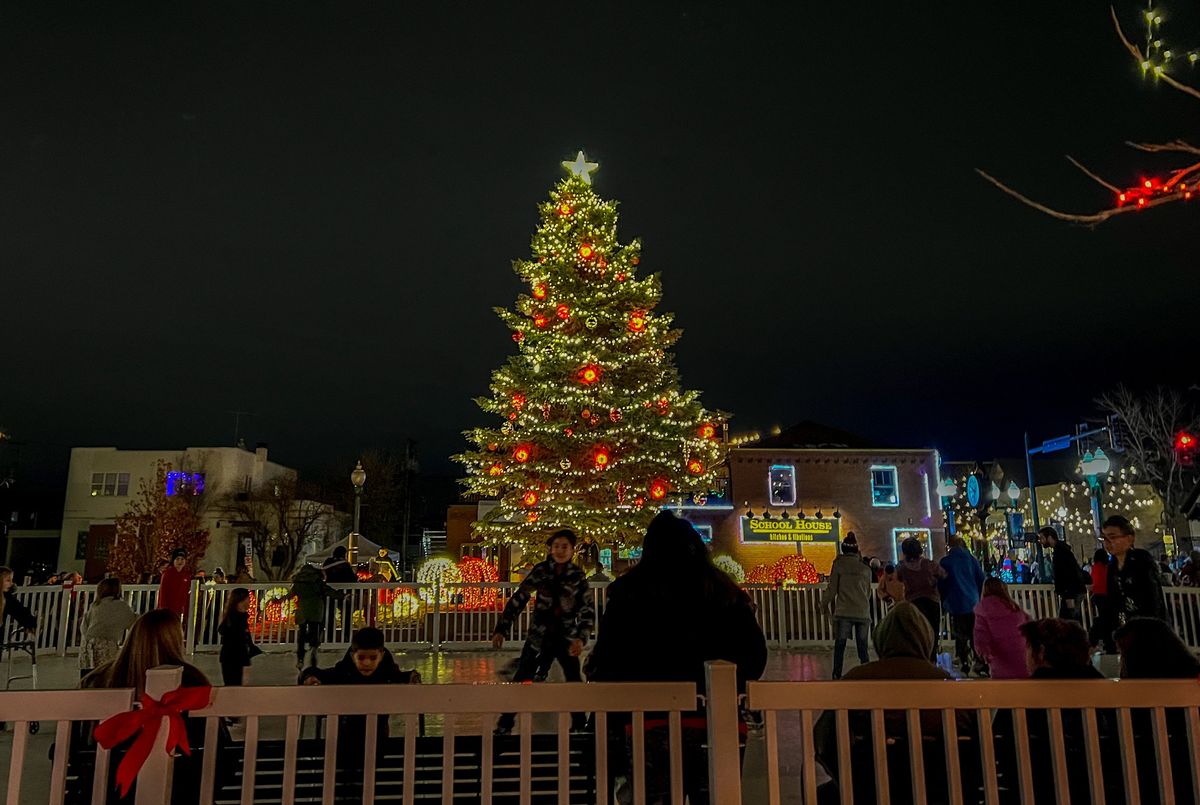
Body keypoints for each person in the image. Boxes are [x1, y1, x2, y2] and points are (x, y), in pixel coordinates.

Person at [585, 510, 767, 805]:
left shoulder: (629, 593)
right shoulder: (725, 593)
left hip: (648, 720)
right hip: (717, 720)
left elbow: (609, 657)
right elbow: (755, 656)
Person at [491, 529, 594, 735]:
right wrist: (502, 628)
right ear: (550, 549)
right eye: (556, 546)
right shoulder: (542, 571)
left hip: (566, 636)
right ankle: (505, 722)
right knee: (521, 677)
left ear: (572, 550)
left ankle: (579, 723)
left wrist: (581, 638)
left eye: (564, 547)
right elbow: (520, 597)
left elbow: (586, 608)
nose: (560, 550)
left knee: (573, 679)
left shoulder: (576, 576)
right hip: (540, 636)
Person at [1097, 515, 1166, 630]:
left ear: (1129, 538)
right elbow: (1110, 603)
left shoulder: (1142, 562)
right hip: (1123, 630)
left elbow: (1151, 602)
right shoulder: (1112, 567)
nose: (1107, 543)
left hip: (1147, 629)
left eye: (1112, 537)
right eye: (1104, 538)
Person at [822, 533, 873, 679]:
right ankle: (866, 673)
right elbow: (868, 592)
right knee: (862, 647)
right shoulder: (865, 569)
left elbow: (832, 589)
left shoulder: (839, 565)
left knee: (840, 645)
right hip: (862, 612)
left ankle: (837, 673)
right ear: (857, 550)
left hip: (844, 611)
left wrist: (823, 604)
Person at [938, 536, 985, 674]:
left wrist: (943, 597)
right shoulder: (971, 560)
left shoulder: (946, 562)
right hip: (972, 600)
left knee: (959, 632)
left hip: (955, 602)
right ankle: (978, 659)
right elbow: (981, 578)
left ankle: (963, 659)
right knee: (974, 632)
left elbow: (942, 582)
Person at [896, 537, 946, 662]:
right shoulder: (929, 564)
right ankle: (932, 657)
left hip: (913, 602)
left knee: (916, 631)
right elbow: (943, 574)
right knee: (932, 630)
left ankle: (919, 656)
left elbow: (899, 578)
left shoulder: (902, 568)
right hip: (931, 600)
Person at [972, 578, 1031, 679]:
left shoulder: (983, 611)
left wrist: (985, 653)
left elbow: (980, 636)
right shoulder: (1013, 608)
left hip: (1000, 662)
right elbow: (1030, 626)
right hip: (1024, 659)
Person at [78, 578, 138, 678]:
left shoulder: (95, 605)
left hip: (87, 645)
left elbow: (84, 626)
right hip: (106, 646)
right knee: (106, 676)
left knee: (88, 677)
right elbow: (133, 622)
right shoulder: (120, 606)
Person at [291, 563, 340, 671]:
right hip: (316, 610)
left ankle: (300, 658)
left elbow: (291, 594)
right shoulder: (317, 581)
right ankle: (313, 649)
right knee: (314, 630)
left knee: (302, 633)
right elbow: (328, 591)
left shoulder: (298, 582)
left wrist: (278, 600)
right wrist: (342, 595)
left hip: (302, 610)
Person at [1036, 527, 1088, 622]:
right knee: (1070, 620)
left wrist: (1069, 595)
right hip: (1072, 591)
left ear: (1050, 537)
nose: (1040, 541)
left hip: (1071, 592)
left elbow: (1068, 574)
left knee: (1070, 620)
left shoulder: (1060, 552)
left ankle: (1078, 635)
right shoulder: (1061, 550)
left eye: (1042, 538)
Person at [217, 588, 261, 688]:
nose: (250, 601)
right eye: (248, 599)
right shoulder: (236, 618)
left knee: (232, 684)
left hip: (230, 656)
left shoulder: (234, 617)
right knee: (236, 685)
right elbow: (239, 638)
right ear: (241, 600)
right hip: (235, 656)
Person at [0, 565, 38, 636]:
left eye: (12, 580)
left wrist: (30, 623)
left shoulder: (7, 598)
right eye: (8, 580)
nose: (11, 583)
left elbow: (19, 610)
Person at [157, 548, 192, 621]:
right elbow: (163, 593)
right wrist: (163, 610)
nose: (180, 561)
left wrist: (186, 611)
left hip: (180, 610)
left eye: (182, 559)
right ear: (173, 561)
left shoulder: (186, 575)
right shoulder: (167, 574)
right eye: (177, 559)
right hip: (169, 610)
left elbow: (187, 594)